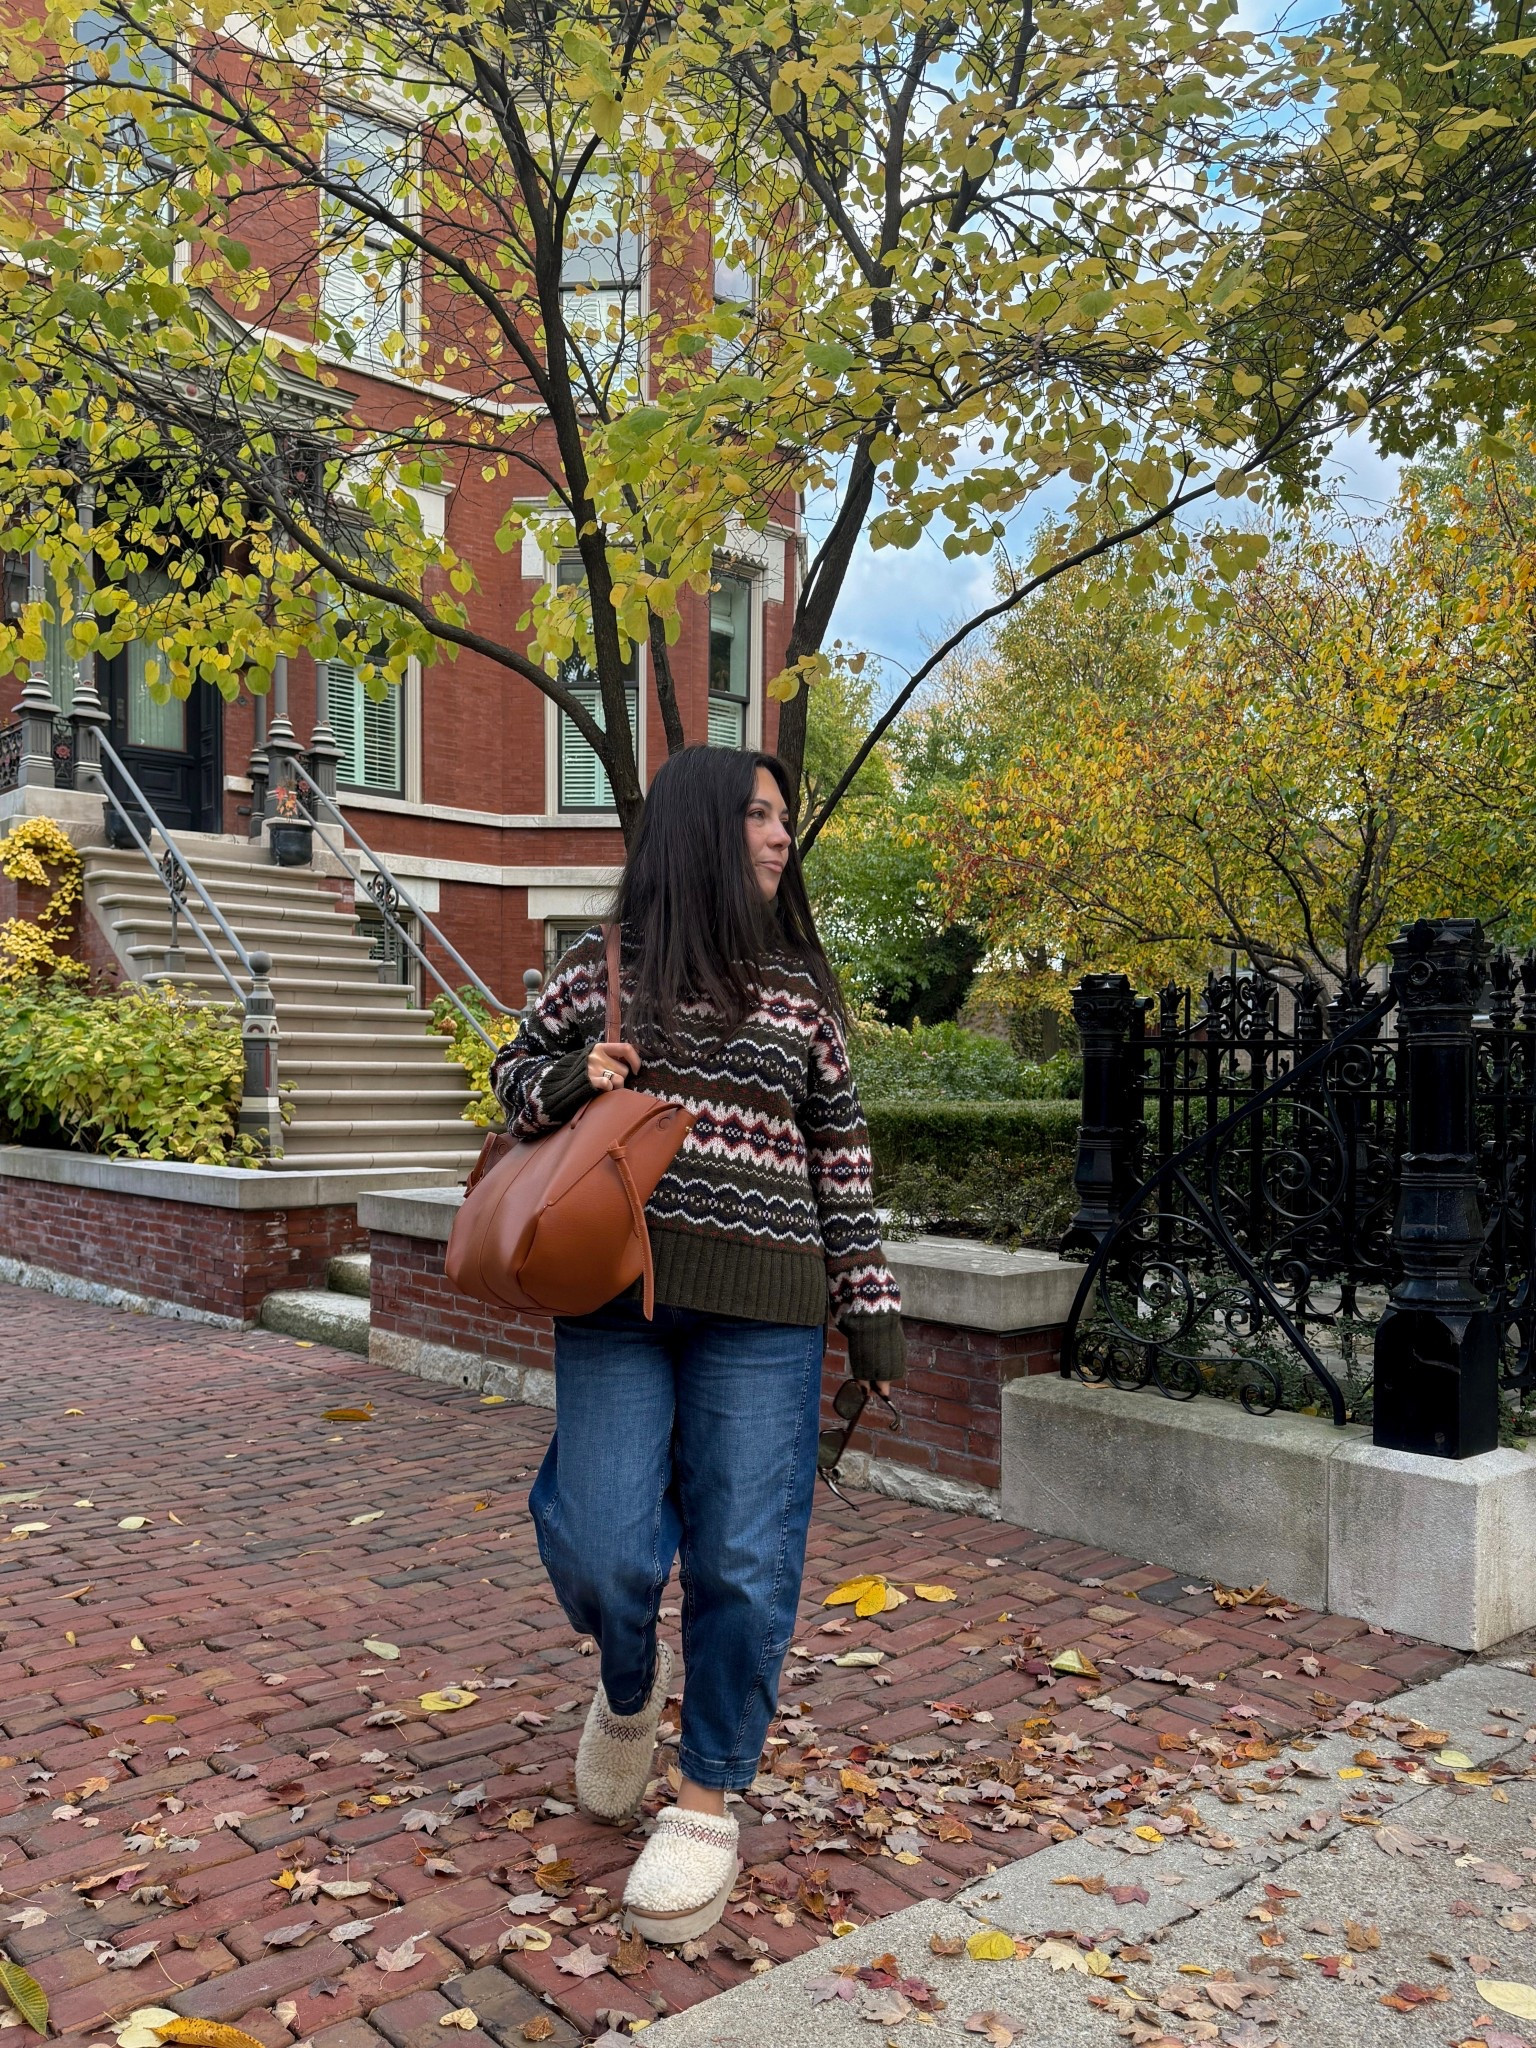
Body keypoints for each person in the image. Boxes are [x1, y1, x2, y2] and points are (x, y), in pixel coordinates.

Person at [490, 745, 905, 1945]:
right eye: (760, 814)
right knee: (605, 1543)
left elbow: (841, 1156)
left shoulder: (802, 988)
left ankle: (709, 1793)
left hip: (768, 1313)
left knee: (742, 1553)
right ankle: (629, 1686)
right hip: (616, 1298)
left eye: (785, 817)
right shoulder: (606, 962)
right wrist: (569, 1077)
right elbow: (509, 1075)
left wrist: (870, 1307)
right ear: (701, 827)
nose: (781, 835)